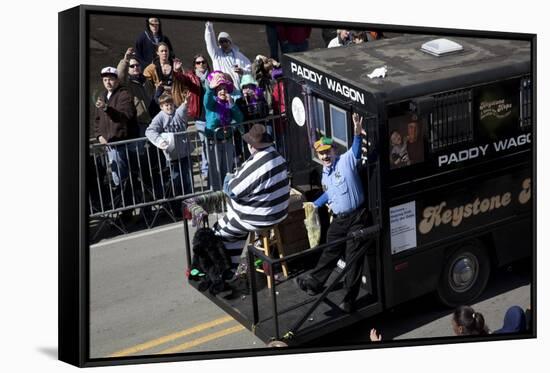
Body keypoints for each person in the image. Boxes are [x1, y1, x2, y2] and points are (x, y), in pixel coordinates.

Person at [296, 113, 370, 313]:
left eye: (327, 151)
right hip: (340, 219)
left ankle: (348, 300)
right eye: (321, 154)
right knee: (330, 248)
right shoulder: (325, 173)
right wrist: (315, 204)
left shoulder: (346, 161)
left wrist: (356, 131)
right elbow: (331, 193)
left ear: (334, 150)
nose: (324, 156)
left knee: (353, 260)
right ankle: (315, 282)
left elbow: (356, 149)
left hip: (357, 217)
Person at [214, 123, 290, 269]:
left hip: (261, 217)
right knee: (235, 229)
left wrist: (229, 179)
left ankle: (225, 269)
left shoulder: (259, 162)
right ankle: (233, 265)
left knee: (217, 233)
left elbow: (234, 190)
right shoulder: (276, 155)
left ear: (252, 145)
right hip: (279, 212)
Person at [94, 66, 137, 187]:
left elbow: (125, 117)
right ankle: (122, 198)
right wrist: (98, 136)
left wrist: (107, 108)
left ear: (117, 80)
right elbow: (97, 120)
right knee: (115, 175)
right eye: (105, 80)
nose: (108, 82)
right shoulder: (102, 96)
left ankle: (127, 199)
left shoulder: (124, 95)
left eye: (111, 79)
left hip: (121, 143)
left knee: (123, 176)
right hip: (108, 144)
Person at [145, 93, 192, 197]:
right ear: (161, 107)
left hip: (184, 152)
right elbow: (150, 131)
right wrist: (159, 141)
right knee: (175, 179)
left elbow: (182, 110)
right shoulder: (160, 117)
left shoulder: (177, 113)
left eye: (171, 104)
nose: (169, 107)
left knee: (187, 178)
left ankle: (190, 199)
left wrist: (185, 103)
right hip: (172, 155)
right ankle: (177, 199)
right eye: (166, 105)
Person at [203, 71, 244, 190]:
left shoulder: (230, 103)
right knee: (215, 173)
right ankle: (215, 200)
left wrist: (232, 105)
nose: (222, 91)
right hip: (213, 142)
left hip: (228, 141)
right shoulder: (212, 104)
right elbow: (206, 101)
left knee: (227, 171)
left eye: (224, 89)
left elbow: (240, 118)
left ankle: (226, 197)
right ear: (216, 91)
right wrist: (210, 89)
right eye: (219, 89)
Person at [117, 47, 155, 136]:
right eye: (132, 66)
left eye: (137, 65)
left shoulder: (147, 81)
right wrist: (126, 60)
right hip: (138, 123)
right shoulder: (127, 83)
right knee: (140, 149)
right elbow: (120, 76)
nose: (135, 67)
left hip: (151, 121)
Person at [204, 21, 251, 89]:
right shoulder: (216, 55)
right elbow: (210, 41)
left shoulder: (239, 56)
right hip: (223, 89)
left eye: (225, 41)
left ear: (230, 42)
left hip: (238, 89)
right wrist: (209, 27)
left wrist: (242, 71)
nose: (223, 44)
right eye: (221, 42)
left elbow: (250, 69)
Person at [143, 42, 188, 111]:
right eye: (162, 51)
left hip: (175, 99)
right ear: (157, 53)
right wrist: (156, 88)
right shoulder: (151, 68)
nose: (164, 53)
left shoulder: (176, 65)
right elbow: (146, 85)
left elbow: (184, 82)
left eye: (166, 51)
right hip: (159, 101)